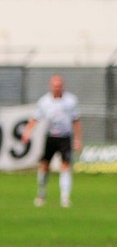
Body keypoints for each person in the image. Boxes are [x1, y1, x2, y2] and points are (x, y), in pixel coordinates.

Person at [21, 74, 82, 208]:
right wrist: (27, 133)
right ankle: (41, 193)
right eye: (55, 86)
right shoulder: (44, 101)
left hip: (65, 137)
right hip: (50, 137)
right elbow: (35, 118)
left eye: (59, 85)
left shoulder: (70, 100)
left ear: (63, 86)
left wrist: (78, 139)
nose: (57, 88)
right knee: (44, 165)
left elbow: (76, 121)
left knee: (65, 165)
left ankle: (65, 197)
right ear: (51, 86)